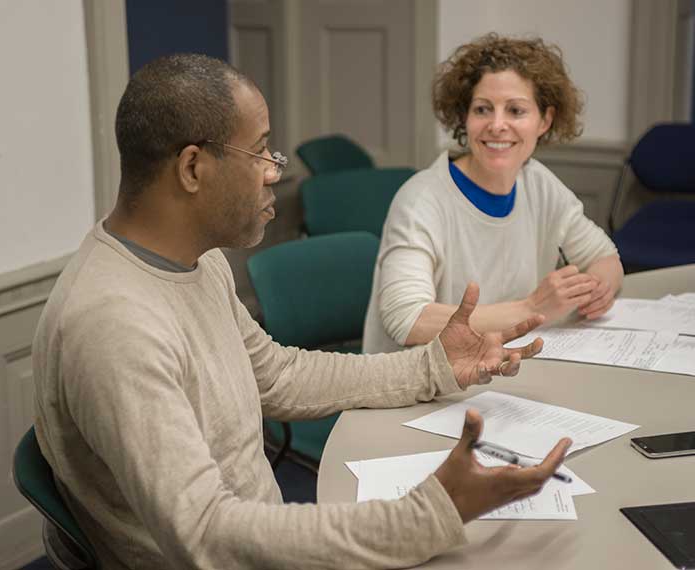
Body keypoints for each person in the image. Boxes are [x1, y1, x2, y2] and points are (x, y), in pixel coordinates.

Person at [32, 53, 571, 570]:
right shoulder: (115, 325)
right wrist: (427, 515)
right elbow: (205, 538)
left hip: (264, 537)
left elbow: (276, 376)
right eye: (261, 151)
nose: (274, 170)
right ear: (193, 168)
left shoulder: (197, 262)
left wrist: (433, 367)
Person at [363, 33, 623, 354]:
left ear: (545, 120)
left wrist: (596, 290)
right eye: (483, 109)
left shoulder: (539, 184)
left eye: (516, 111)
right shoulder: (420, 200)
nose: (497, 125)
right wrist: (531, 309)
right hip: (418, 386)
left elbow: (604, 257)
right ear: (464, 117)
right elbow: (407, 319)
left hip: (499, 366)